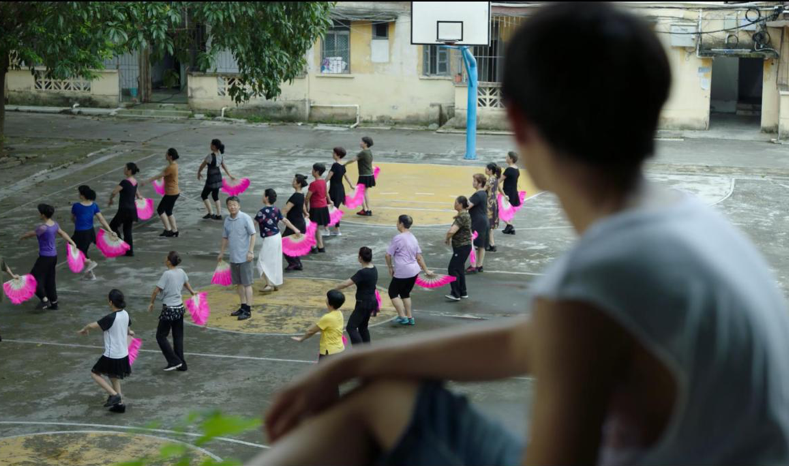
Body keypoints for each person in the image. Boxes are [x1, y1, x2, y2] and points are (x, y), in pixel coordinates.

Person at [249, 4, 789, 466]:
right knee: (382, 386)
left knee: (374, 405)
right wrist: (356, 359)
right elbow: (527, 341)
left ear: (520, 125)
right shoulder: (691, 223)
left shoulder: (601, 276)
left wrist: (355, 368)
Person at [78, 289, 133, 412]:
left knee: (95, 373)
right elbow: (128, 327)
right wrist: (129, 332)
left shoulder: (111, 318)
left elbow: (93, 325)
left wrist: (85, 328)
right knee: (114, 377)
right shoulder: (125, 314)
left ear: (110, 302)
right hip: (123, 354)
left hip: (111, 354)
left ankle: (115, 395)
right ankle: (120, 405)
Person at [20, 204, 76, 310]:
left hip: (44, 258)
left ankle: (44, 300)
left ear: (43, 215)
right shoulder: (55, 225)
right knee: (50, 280)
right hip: (53, 257)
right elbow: (63, 233)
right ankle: (54, 302)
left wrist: (22, 237)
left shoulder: (43, 228)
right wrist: (72, 242)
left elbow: (30, 234)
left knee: (32, 279)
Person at [148, 251, 197, 372]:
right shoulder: (181, 271)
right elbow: (186, 283)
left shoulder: (167, 274)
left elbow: (156, 290)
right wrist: (192, 292)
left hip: (169, 309)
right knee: (178, 336)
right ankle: (182, 364)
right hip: (179, 308)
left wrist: (152, 302)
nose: (164, 260)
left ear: (169, 261)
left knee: (161, 336)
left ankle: (174, 360)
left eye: (166, 259)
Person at [385, 215, 433, 326]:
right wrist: (426, 270)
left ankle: (402, 316)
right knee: (405, 293)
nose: (396, 223)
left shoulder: (398, 238)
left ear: (401, 223)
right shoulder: (413, 237)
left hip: (403, 271)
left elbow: (388, 255)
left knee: (392, 292)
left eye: (397, 222)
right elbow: (419, 257)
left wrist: (390, 267)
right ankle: (410, 317)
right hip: (414, 271)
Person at [218, 196, 256, 321]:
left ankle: (248, 310)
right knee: (239, 284)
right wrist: (222, 252)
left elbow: (253, 234)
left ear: (239, 206)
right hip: (234, 257)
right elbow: (225, 237)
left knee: (247, 284)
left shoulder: (245, 218)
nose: (232, 207)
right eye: (230, 205)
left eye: (234, 204)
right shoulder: (227, 220)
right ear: (227, 206)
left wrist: (250, 251)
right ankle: (243, 306)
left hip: (245, 257)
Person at [334, 247, 377, 345]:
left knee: (351, 327)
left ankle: (359, 352)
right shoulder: (374, 268)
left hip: (363, 302)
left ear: (360, 258)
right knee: (363, 327)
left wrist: (335, 288)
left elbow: (346, 284)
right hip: (372, 301)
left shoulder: (362, 272)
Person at [71, 185, 116, 279]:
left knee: (77, 251)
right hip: (90, 232)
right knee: (79, 249)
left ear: (82, 195)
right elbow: (102, 219)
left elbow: (73, 218)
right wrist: (110, 230)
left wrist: (77, 222)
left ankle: (90, 263)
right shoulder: (94, 205)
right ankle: (90, 275)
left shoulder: (76, 206)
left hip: (81, 233)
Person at [291, 289, 346, 363]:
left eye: (327, 298)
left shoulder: (327, 317)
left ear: (330, 303)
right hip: (339, 348)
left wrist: (301, 339)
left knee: (324, 373)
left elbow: (311, 331)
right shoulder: (339, 313)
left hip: (329, 351)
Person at [255, 188, 288, 292]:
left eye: (263, 195)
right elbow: (285, 220)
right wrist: (295, 229)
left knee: (261, 261)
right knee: (275, 260)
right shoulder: (276, 210)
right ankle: (275, 283)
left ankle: (269, 284)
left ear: (266, 197)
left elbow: (252, 226)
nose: (262, 196)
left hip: (269, 238)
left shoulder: (261, 212)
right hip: (277, 236)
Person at [108, 162, 143, 257]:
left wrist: (110, 199)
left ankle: (121, 245)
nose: (124, 169)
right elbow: (137, 193)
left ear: (129, 170)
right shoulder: (135, 182)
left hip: (124, 209)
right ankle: (129, 251)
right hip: (132, 210)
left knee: (112, 226)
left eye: (125, 168)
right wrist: (139, 196)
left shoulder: (124, 182)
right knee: (127, 230)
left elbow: (114, 191)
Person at [197, 138, 237, 221]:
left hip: (211, 178)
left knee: (204, 195)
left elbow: (202, 165)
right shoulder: (220, 155)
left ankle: (211, 213)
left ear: (214, 146)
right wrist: (229, 175)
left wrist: (199, 172)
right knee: (215, 195)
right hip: (218, 178)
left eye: (211, 144)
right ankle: (218, 215)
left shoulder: (210, 156)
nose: (210, 146)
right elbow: (223, 166)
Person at [146, 148, 181, 237]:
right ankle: (175, 230)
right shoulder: (175, 165)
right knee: (169, 211)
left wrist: (147, 181)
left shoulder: (170, 167)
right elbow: (164, 176)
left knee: (160, 210)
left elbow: (160, 175)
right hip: (175, 192)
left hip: (171, 193)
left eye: (166, 154)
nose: (165, 155)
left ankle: (168, 230)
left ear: (170, 156)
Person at [444, 196, 472, 302]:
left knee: (452, 269)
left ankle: (456, 294)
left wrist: (447, 238)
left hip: (462, 246)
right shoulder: (464, 214)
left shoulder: (462, 216)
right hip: (464, 246)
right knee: (459, 269)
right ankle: (462, 292)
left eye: (456, 203)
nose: (454, 204)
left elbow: (452, 230)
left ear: (460, 204)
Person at [323, 147, 354, 237]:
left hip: (334, 190)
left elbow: (329, 177)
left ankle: (327, 229)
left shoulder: (335, 165)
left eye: (334, 153)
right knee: (335, 209)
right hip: (341, 190)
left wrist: (321, 184)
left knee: (328, 209)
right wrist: (351, 185)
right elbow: (346, 177)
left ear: (338, 155)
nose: (332, 154)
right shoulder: (342, 166)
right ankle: (336, 229)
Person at [283, 175, 309, 272]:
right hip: (300, 223)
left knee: (283, 243)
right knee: (294, 245)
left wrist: (277, 218)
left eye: (294, 181)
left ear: (298, 184)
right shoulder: (301, 194)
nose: (292, 182)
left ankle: (293, 262)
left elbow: (286, 209)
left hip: (294, 224)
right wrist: (306, 212)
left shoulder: (295, 196)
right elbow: (302, 205)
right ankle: (297, 263)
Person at [344, 136, 375, 216]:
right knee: (365, 193)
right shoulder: (369, 151)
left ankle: (365, 210)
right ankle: (368, 209)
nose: (360, 143)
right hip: (369, 175)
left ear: (365, 144)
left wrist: (345, 164)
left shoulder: (363, 153)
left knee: (360, 193)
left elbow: (353, 160)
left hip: (364, 176)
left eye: (361, 142)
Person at [305, 163, 332, 254]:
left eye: (313, 170)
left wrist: (306, 209)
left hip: (315, 208)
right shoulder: (324, 182)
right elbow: (325, 193)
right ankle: (320, 246)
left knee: (312, 228)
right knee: (317, 228)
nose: (312, 171)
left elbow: (307, 197)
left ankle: (314, 246)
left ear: (316, 172)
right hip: (323, 207)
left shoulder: (313, 184)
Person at [466, 174, 489, 274]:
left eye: (475, 181)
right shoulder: (483, 193)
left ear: (480, 183)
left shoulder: (477, 195)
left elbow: (468, 206)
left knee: (472, 244)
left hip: (477, 221)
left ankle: (473, 266)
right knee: (481, 245)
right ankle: (479, 265)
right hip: (484, 220)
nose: (473, 182)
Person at [501, 151, 522, 235]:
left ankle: (509, 225)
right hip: (514, 192)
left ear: (511, 159)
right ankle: (510, 228)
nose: (506, 158)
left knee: (501, 210)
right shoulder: (517, 169)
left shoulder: (509, 170)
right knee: (509, 212)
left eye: (507, 157)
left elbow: (499, 180)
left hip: (507, 193)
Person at [485, 162, 502, 252]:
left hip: (489, 204)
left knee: (487, 225)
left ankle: (489, 244)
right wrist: (505, 195)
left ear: (490, 170)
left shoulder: (490, 180)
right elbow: (500, 188)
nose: (485, 169)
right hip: (494, 203)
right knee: (490, 226)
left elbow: (483, 190)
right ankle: (491, 244)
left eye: (486, 168)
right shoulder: (495, 179)